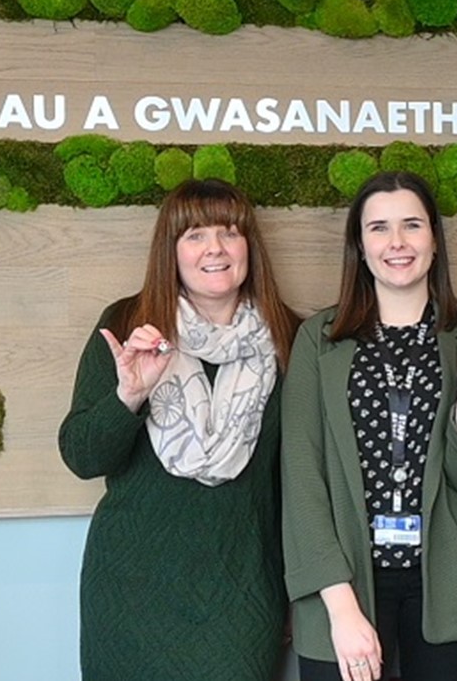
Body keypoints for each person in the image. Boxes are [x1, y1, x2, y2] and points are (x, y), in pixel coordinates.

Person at [58, 178, 302, 681]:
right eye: (193, 235)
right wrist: (129, 395)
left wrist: (298, 590)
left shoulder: (288, 336)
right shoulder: (130, 323)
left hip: (242, 592)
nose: (214, 248)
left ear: (249, 247)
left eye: (230, 233)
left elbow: (296, 483)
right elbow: (83, 456)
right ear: (169, 251)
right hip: (131, 589)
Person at [281, 171, 457, 681]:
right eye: (379, 228)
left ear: (434, 238)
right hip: (344, 581)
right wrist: (342, 611)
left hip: (453, 582)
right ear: (359, 246)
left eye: (412, 225)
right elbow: (301, 478)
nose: (397, 243)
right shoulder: (318, 340)